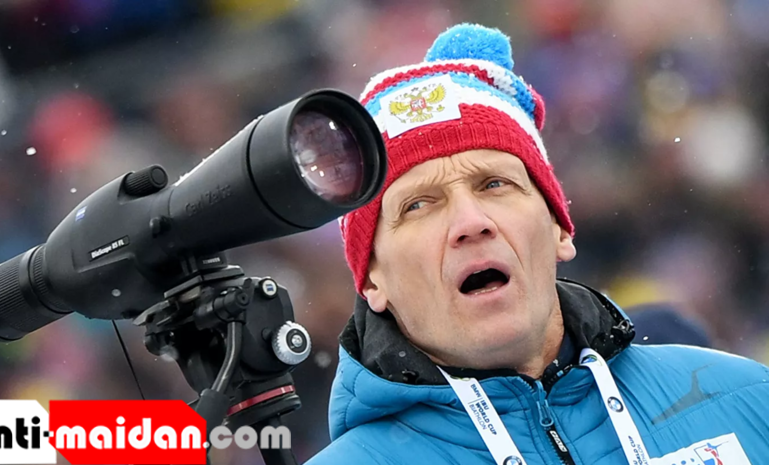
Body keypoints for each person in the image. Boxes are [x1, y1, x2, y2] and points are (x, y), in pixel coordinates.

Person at [306, 24, 769, 465]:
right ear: (372, 281)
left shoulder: (748, 399)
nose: (471, 222)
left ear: (559, 228)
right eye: (418, 205)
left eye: (494, 184)